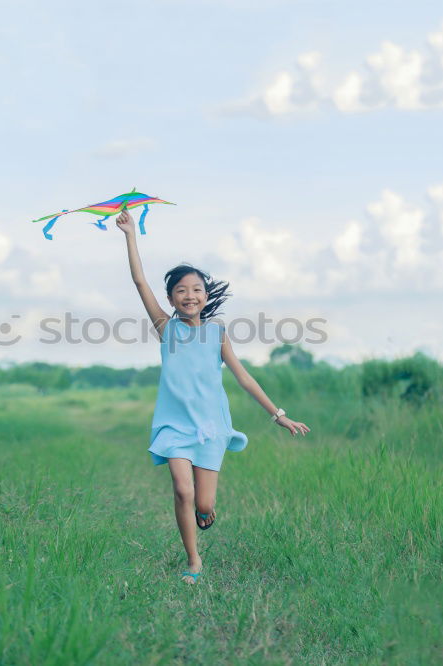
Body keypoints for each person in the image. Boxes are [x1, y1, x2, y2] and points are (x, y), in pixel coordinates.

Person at [116, 208, 311, 585]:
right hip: (174, 426)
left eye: (196, 290)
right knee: (181, 490)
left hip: (211, 427)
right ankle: (193, 561)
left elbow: (244, 379)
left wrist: (278, 415)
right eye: (181, 291)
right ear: (171, 299)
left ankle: (205, 514)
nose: (189, 296)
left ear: (206, 296)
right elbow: (140, 282)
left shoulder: (216, 333)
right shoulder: (166, 329)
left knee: (204, 504)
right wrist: (129, 236)